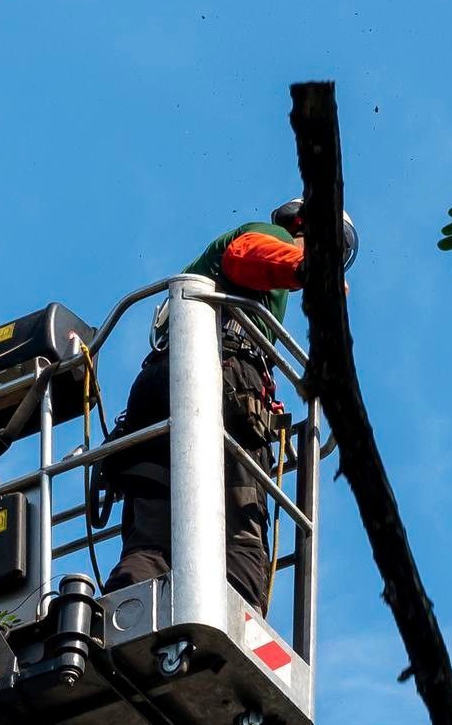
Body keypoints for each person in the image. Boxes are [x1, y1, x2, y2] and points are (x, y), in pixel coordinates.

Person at [100, 199, 354, 610]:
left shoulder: (240, 277)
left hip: (161, 385)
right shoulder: (273, 239)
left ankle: (125, 619)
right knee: (238, 539)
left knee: (153, 535)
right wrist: (309, 268)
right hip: (220, 381)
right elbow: (246, 255)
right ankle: (234, 640)